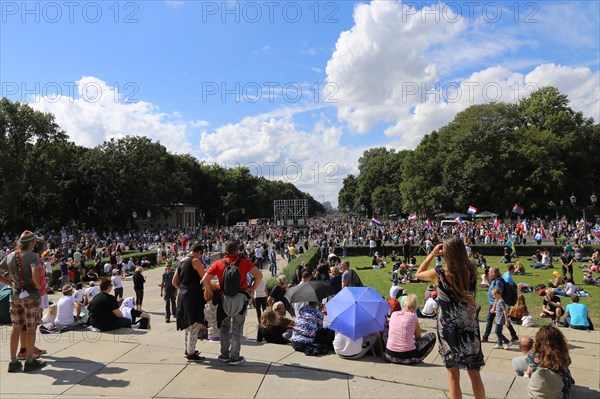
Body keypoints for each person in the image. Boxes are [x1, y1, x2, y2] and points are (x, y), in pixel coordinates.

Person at [415, 237, 485, 399]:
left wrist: (432, 254)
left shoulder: (439, 274)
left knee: (453, 375)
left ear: (446, 254)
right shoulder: (472, 271)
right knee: (474, 374)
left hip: (449, 329)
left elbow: (418, 274)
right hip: (469, 328)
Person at [202, 239, 263, 365]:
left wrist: (213, 292)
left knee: (224, 327)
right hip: (240, 299)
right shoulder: (244, 262)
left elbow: (205, 280)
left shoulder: (218, 263)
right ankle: (235, 356)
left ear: (225, 250)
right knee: (237, 328)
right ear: (237, 250)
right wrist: (252, 289)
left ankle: (224, 354)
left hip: (224, 299)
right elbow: (259, 275)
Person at [0, 231, 47, 372]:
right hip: (31, 296)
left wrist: (9, 283)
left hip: (14, 296)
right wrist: (38, 285)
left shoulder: (10, 256)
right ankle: (29, 361)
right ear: (32, 243)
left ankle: (13, 361)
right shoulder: (33, 256)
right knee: (31, 329)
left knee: (16, 328)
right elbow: (34, 272)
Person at [173, 243, 207, 361]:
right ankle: (191, 353)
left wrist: (183, 289)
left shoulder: (181, 262)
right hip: (193, 296)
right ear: (199, 252)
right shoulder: (195, 261)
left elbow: (174, 282)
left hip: (183, 295)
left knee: (188, 324)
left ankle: (188, 349)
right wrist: (211, 290)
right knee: (193, 324)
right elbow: (205, 278)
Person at [385, 294, 436, 364]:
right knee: (432, 336)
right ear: (415, 307)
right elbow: (418, 338)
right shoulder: (413, 316)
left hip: (389, 355)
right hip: (406, 357)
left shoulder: (394, 314)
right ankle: (415, 357)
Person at [526, 326, 574, 399]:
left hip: (540, 388)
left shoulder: (532, 355)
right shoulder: (564, 357)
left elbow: (528, 372)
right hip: (561, 388)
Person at [482, 266, 518, 343]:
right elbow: (492, 288)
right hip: (494, 304)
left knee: (491, 320)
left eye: (490, 272)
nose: (488, 273)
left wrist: (494, 307)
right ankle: (514, 335)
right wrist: (487, 279)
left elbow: (498, 295)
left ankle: (485, 337)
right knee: (500, 321)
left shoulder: (499, 282)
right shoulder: (495, 280)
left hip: (496, 305)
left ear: (494, 273)